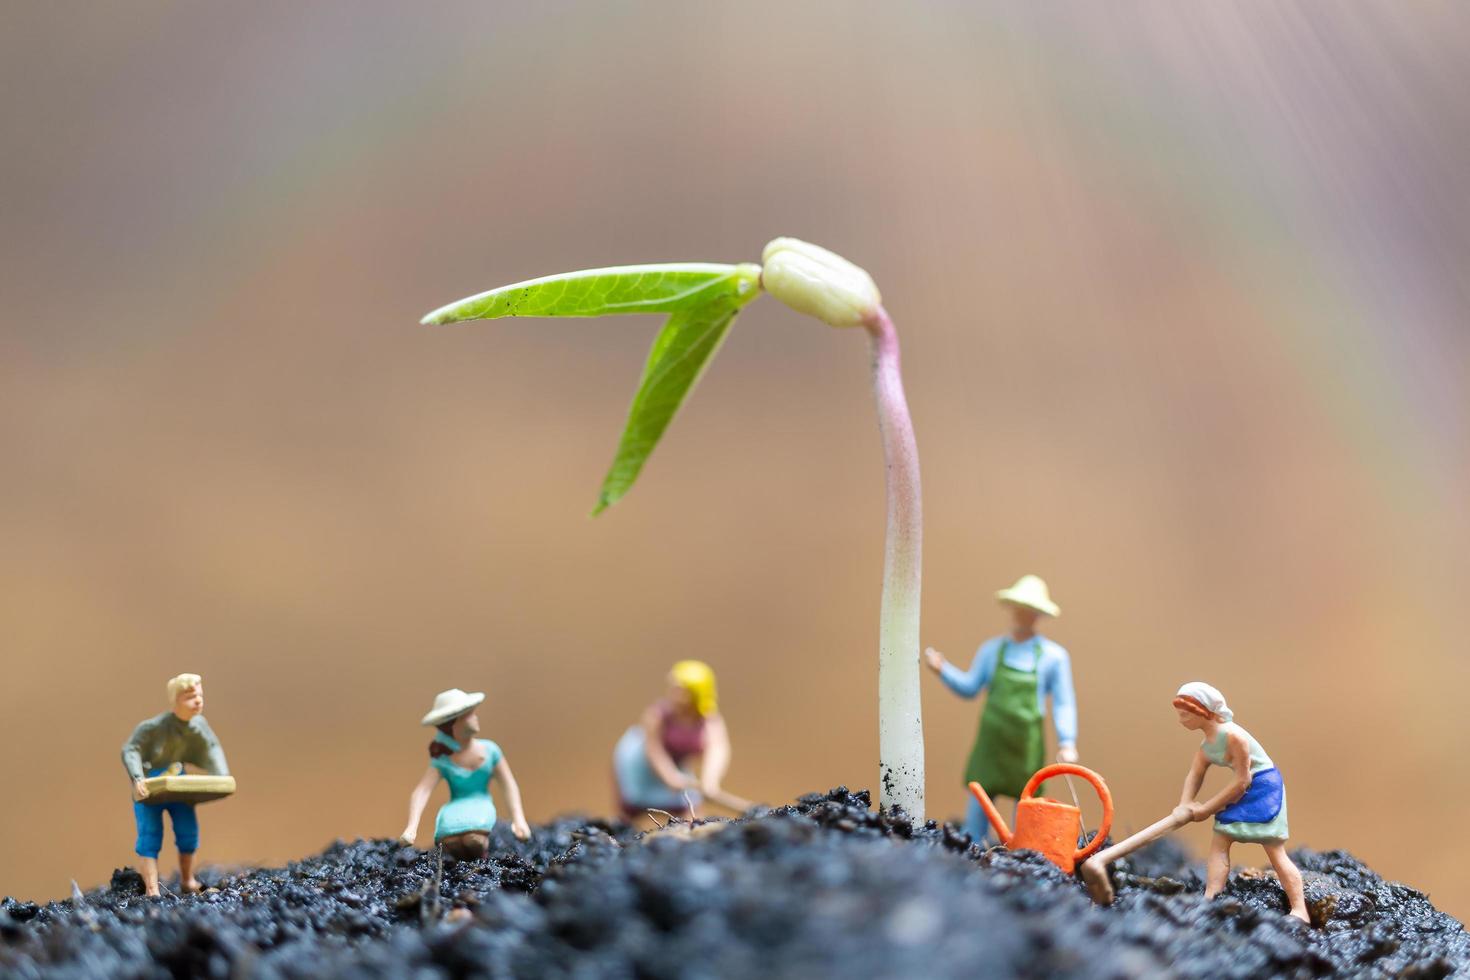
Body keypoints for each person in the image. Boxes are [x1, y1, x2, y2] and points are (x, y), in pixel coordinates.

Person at [924, 574, 1078, 844]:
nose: (1023, 615)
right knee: (981, 791)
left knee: (1028, 799)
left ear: (1039, 615)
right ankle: (971, 843)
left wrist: (1067, 740)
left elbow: (1064, 702)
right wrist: (943, 670)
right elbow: (970, 687)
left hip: (1025, 743)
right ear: (1011, 609)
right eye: (1019, 608)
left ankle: (1026, 848)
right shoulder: (992, 651)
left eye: (1030, 611)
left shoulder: (1054, 657)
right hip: (992, 739)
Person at [1173, 681, 1309, 923]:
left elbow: (1242, 781)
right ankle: (1211, 898)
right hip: (1247, 784)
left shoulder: (1233, 737)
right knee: (1220, 840)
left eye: (1185, 714)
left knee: (1275, 851)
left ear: (1203, 711)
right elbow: (1195, 774)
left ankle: (1300, 910)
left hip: (1264, 786)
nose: (1180, 721)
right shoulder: (1207, 747)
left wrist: (1206, 808)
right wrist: (1185, 803)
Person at [121, 673, 230, 897]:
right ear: (176, 701)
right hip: (151, 784)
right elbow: (130, 749)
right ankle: (152, 890)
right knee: (149, 836)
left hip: (179, 783)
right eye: (190, 697)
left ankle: (187, 880)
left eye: (199, 695)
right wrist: (138, 777)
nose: (198, 701)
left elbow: (212, 747)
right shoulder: (154, 727)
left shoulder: (199, 725)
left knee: (188, 832)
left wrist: (222, 776)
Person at [399, 688, 531, 859]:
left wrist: (519, 819)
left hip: (480, 803)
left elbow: (508, 784)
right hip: (455, 807)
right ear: (453, 725)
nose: (475, 717)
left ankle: (481, 863)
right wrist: (412, 826)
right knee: (451, 842)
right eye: (468, 715)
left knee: (474, 841)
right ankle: (457, 869)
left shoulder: (490, 751)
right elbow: (422, 791)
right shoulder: (443, 759)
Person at [612, 660, 749, 818]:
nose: (675, 694)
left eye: (681, 691)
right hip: (640, 761)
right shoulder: (658, 716)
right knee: (633, 804)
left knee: (691, 805)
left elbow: (717, 748)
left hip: (677, 765)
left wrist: (710, 780)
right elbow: (653, 749)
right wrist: (669, 775)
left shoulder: (708, 720)